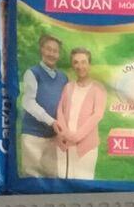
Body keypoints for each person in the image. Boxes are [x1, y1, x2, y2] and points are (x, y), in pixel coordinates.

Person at [16, 34, 69, 179]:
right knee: (31, 175)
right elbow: (28, 102)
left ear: (59, 54)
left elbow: (66, 104)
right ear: (42, 50)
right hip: (33, 135)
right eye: (48, 49)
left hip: (54, 136)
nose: (51, 54)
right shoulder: (33, 73)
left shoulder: (63, 77)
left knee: (52, 176)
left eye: (55, 51)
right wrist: (51, 121)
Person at [53, 47, 108, 181]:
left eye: (83, 62)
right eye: (76, 62)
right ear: (72, 65)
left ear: (89, 64)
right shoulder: (68, 87)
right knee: (64, 181)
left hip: (86, 145)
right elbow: (60, 111)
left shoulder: (98, 88)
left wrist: (76, 136)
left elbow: (97, 115)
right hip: (65, 143)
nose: (80, 66)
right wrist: (65, 134)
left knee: (84, 181)